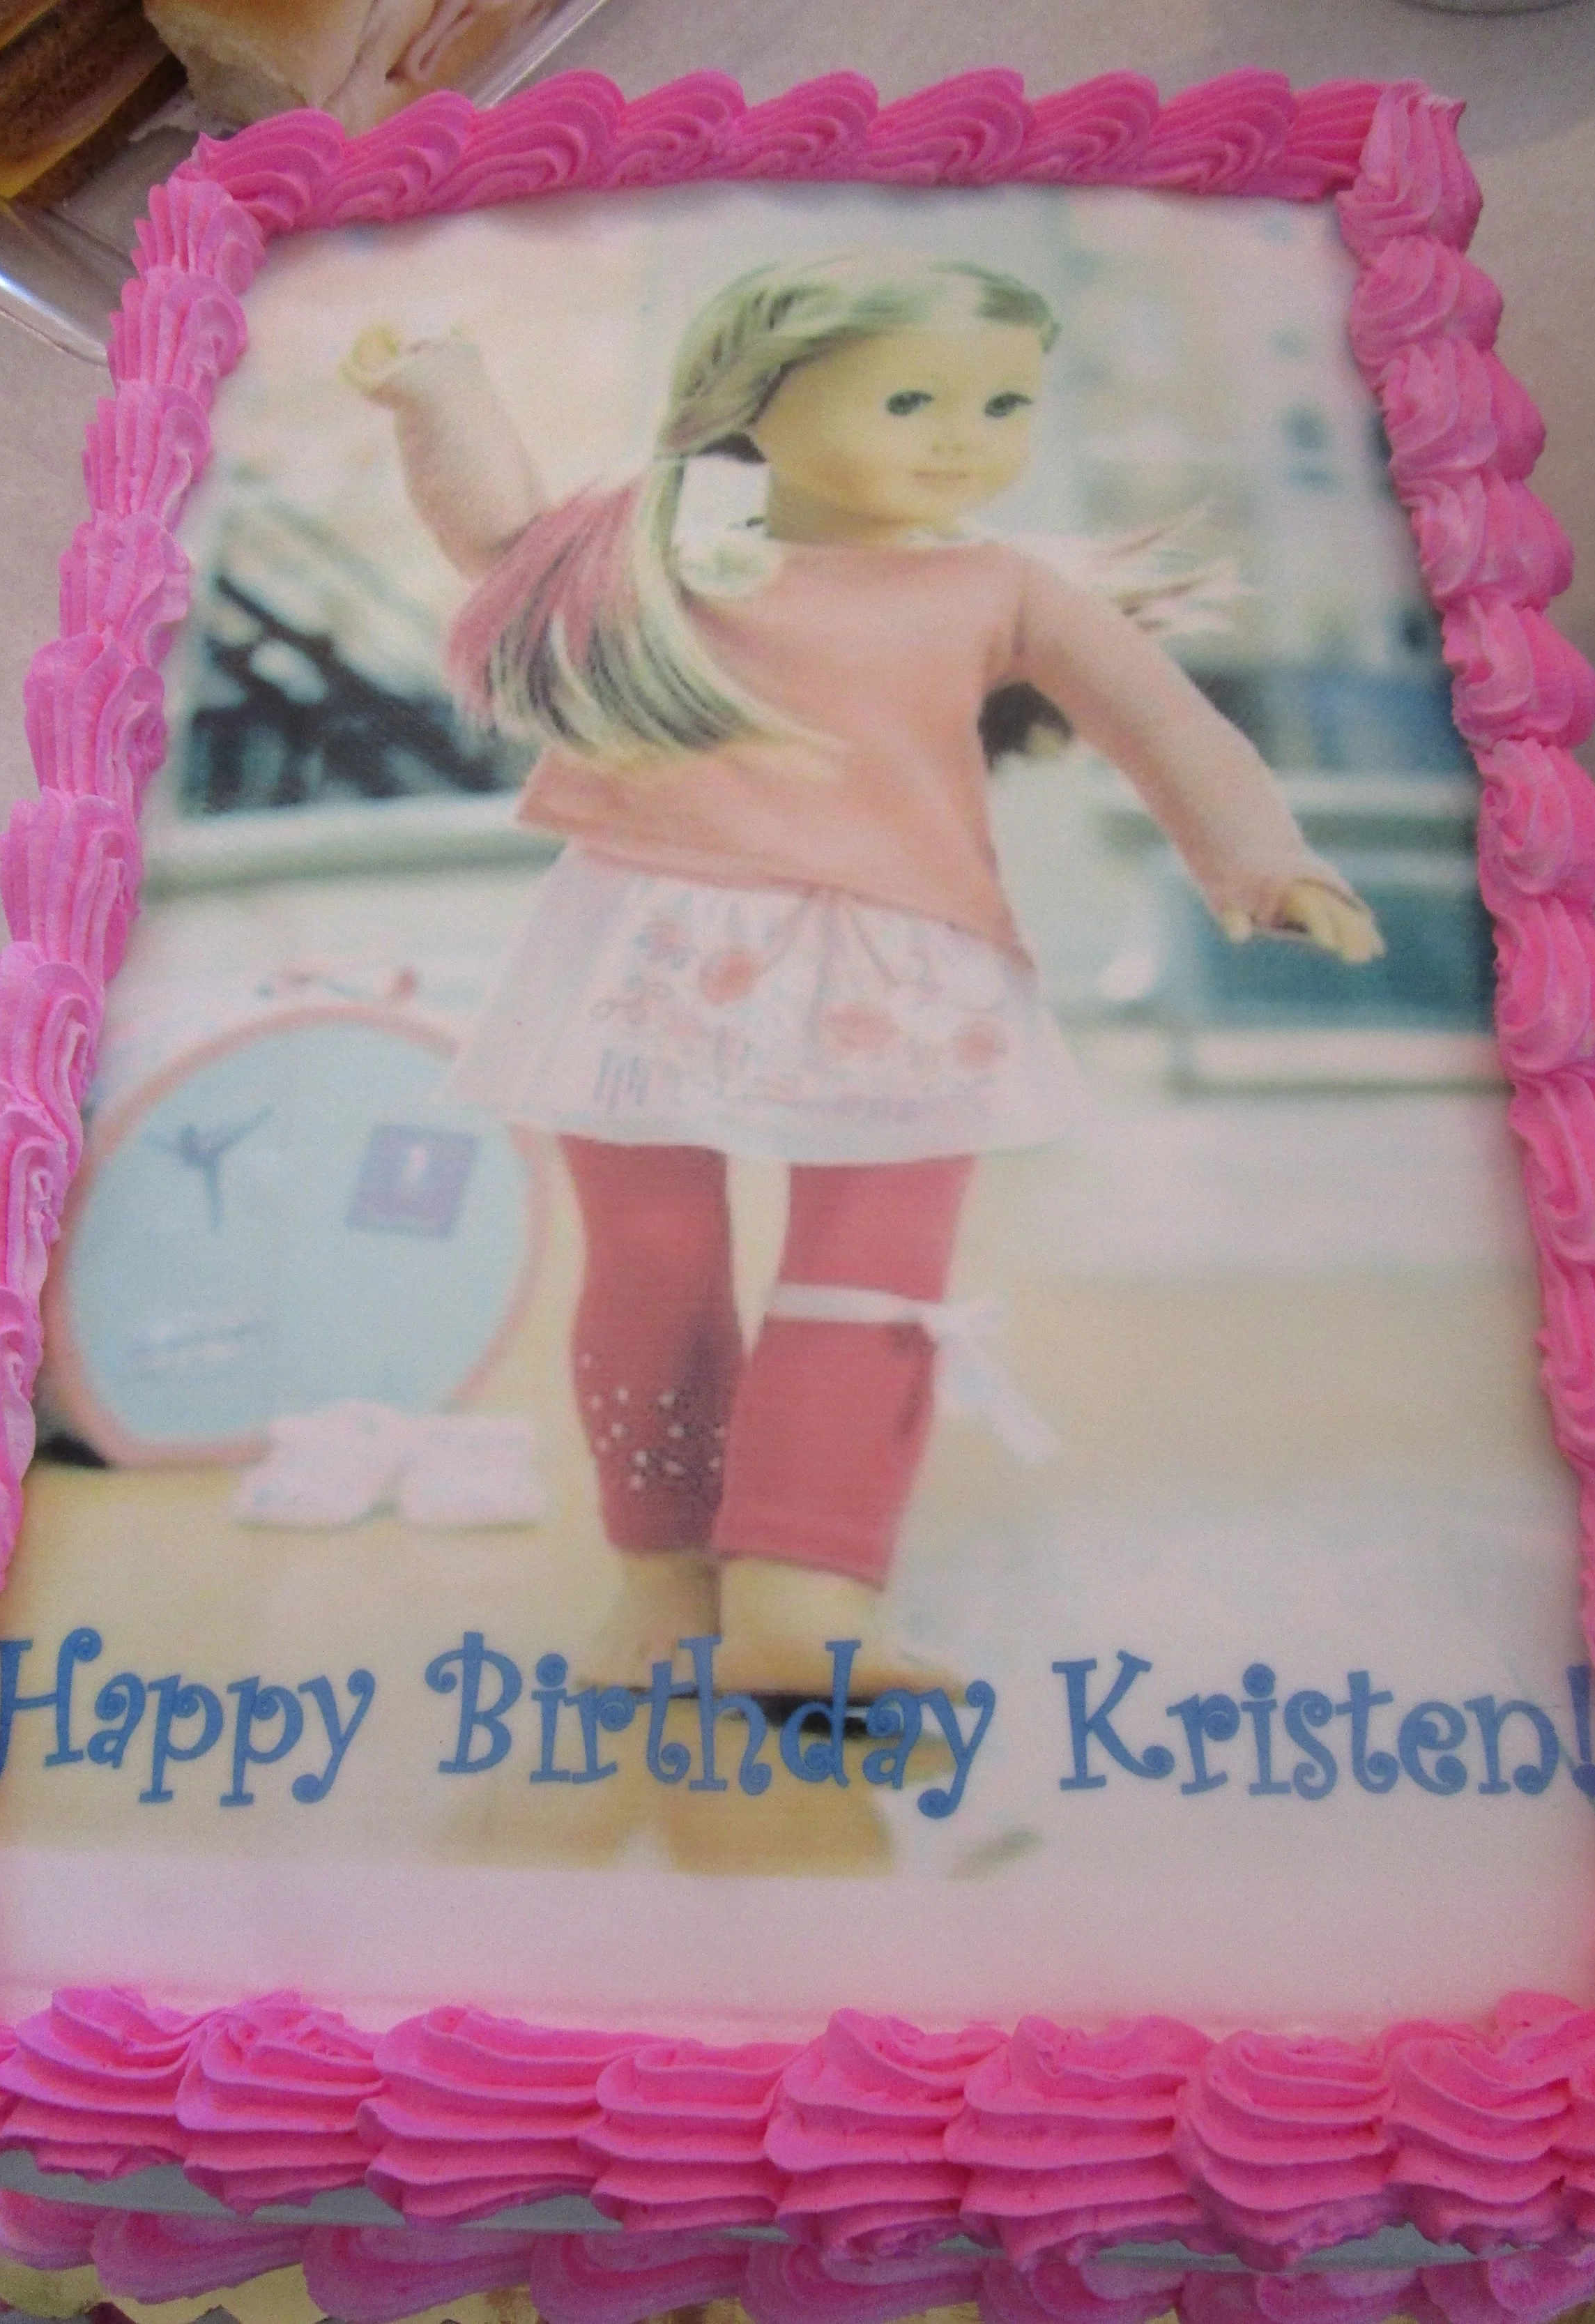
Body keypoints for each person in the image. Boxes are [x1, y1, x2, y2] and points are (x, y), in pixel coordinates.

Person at [345, 248, 1382, 1698]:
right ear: (753, 403)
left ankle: (806, 1588)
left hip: (905, 960)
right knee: (650, 1260)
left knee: (876, 1270)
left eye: (1004, 404)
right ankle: (664, 1570)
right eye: (912, 399)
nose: (965, 439)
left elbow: (1166, 724)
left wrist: (1267, 863)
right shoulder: (659, 532)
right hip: (653, 940)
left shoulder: (999, 584)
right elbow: (498, 534)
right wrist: (435, 390)